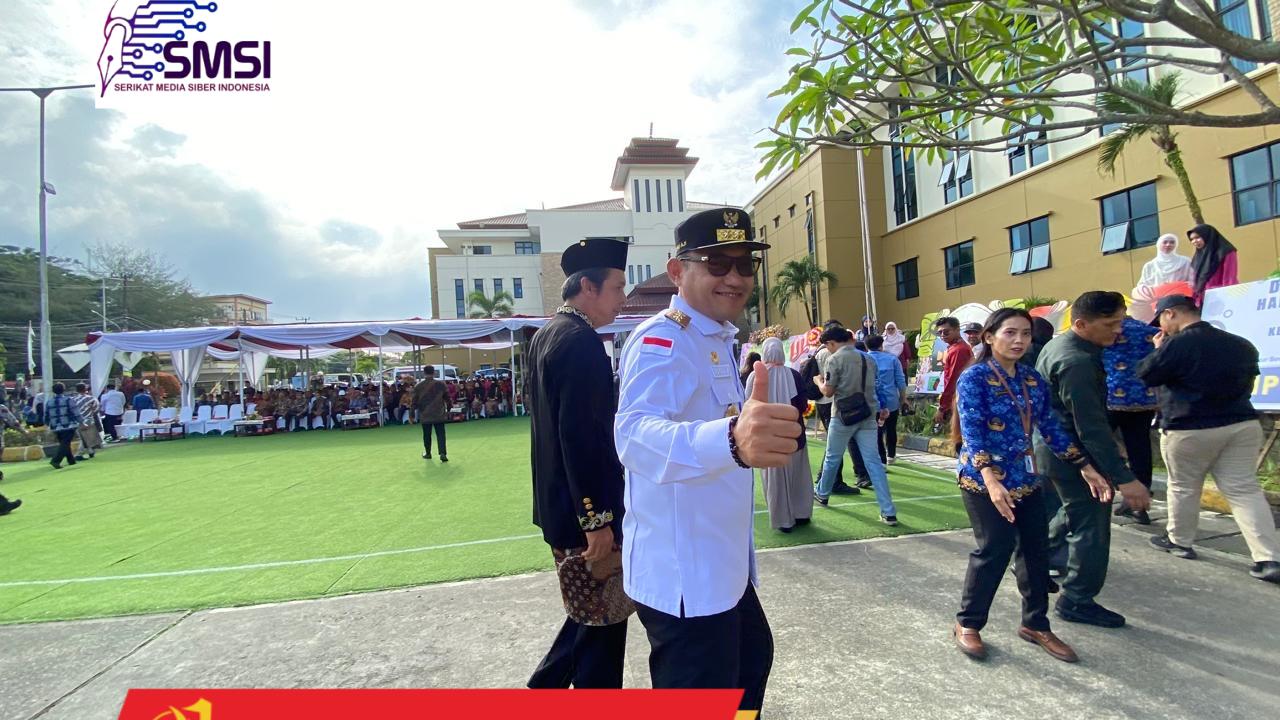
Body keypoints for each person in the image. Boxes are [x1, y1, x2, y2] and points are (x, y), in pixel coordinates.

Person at [616, 208, 793, 715]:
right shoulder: (664, 340)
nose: (734, 277)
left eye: (745, 265)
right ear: (677, 271)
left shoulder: (712, 337)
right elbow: (633, 435)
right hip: (685, 575)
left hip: (720, 564)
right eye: (717, 263)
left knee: (751, 665)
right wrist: (732, 440)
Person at [952, 308, 1111, 663]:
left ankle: (1035, 624)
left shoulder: (1032, 379)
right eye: (1010, 333)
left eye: (1025, 334)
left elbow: (1050, 428)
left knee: (1036, 552)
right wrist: (991, 480)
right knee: (994, 548)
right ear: (989, 337)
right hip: (982, 481)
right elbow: (973, 433)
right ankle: (968, 623)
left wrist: (1084, 465)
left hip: (1025, 479)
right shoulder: (975, 378)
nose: (1019, 340)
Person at [526, 236, 632, 689]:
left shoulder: (547, 334)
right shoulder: (581, 342)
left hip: (559, 506)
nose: (623, 298)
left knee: (588, 614)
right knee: (603, 624)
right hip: (584, 514)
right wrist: (597, 520)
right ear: (588, 287)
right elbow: (580, 439)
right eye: (617, 287)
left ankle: (546, 684)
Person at [1138, 295, 1280, 583]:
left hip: (1189, 425)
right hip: (1241, 423)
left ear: (1170, 313)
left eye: (1161, 319)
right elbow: (1249, 383)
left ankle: (1179, 542)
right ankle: (1268, 558)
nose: (1161, 327)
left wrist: (1158, 349)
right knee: (1244, 490)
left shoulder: (1177, 344)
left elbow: (1147, 374)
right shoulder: (1240, 344)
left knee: (1183, 486)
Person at [1035, 291, 1152, 629]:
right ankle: (1077, 599)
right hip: (1073, 454)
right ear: (1082, 324)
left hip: (1053, 448)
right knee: (1092, 527)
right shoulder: (1077, 362)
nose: (1118, 330)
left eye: (1120, 322)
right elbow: (1090, 428)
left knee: (1071, 510)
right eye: (1110, 324)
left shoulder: (1062, 346)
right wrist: (1124, 478)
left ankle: (1034, 560)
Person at [813, 326, 898, 524]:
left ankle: (823, 493)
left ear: (831, 343)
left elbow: (828, 391)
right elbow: (877, 385)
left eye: (828, 345)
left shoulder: (834, 359)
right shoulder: (868, 358)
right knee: (874, 462)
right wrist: (883, 406)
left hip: (842, 415)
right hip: (867, 414)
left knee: (832, 457)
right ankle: (888, 511)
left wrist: (818, 381)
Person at [745, 338, 814, 533]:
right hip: (793, 433)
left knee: (774, 477)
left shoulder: (755, 375)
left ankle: (783, 519)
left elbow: (748, 404)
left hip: (767, 434)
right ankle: (801, 513)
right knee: (799, 474)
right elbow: (802, 404)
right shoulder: (793, 374)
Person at [1103, 314, 1159, 524]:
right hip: (1144, 399)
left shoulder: (1107, 330)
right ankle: (1139, 507)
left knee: (1100, 446)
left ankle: (1099, 494)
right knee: (1140, 449)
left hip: (1112, 397)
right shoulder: (1152, 332)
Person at [866, 335, 907, 465]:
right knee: (891, 428)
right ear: (881, 345)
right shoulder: (892, 359)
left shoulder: (863, 359)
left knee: (875, 431)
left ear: (866, 346)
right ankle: (891, 455)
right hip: (891, 400)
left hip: (871, 401)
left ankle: (881, 458)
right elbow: (900, 381)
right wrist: (903, 398)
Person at [934, 316, 973, 429]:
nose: (942, 335)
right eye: (940, 333)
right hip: (958, 398)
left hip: (959, 400)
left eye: (946, 332)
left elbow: (953, 380)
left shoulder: (958, 350)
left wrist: (942, 407)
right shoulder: (955, 347)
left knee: (958, 435)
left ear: (957, 330)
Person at [1188, 224, 1239, 305]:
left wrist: (1228, 298)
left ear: (1207, 235)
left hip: (1221, 298)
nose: (1194, 241)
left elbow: (1230, 278)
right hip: (1202, 300)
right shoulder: (1198, 257)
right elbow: (1195, 281)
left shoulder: (1226, 252)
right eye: (1192, 239)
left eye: (1197, 237)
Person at [413, 366, 449, 462]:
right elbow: (448, 398)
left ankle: (428, 453)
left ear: (424, 373)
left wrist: (411, 414)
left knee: (426, 435)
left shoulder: (418, 386)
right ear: (434, 373)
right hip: (439, 413)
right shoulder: (441, 384)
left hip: (425, 414)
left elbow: (414, 402)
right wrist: (449, 408)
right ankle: (442, 453)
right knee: (441, 434)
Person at [44, 383, 82, 469]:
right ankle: (56, 460)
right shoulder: (68, 400)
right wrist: (81, 422)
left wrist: (47, 424)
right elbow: (75, 412)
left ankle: (71, 460)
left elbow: (46, 414)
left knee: (64, 443)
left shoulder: (49, 402)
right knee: (65, 443)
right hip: (68, 425)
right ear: (63, 390)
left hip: (55, 426)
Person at [73, 383, 103, 460]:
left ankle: (91, 451)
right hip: (89, 420)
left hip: (77, 421)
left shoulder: (72, 399)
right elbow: (96, 408)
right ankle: (79, 454)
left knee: (83, 437)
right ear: (85, 389)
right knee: (87, 438)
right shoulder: (91, 398)